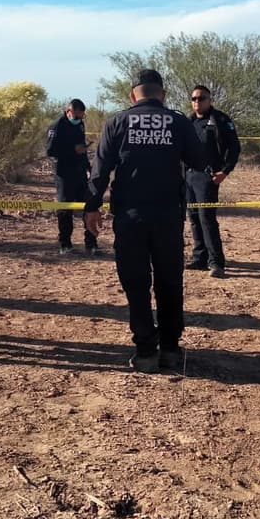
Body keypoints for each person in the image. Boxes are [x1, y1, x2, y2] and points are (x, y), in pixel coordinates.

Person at [84, 69, 209, 373]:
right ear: (162, 95)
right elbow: (199, 161)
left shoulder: (117, 122)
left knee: (136, 282)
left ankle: (145, 352)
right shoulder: (178, 122)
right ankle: (170, 349)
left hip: (130, 217)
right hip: (168, 216)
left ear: (132, 96)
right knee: (169, 280)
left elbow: (99, 170)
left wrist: (91, 207)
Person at [184, 85, 241, 279]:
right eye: (194, 99)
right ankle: (200, 257)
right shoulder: (188, 122)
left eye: (201, 98)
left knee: (207, 219)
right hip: (189, 177)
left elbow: (234, 148)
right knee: (193, 218)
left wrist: (224, 172)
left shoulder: (220, 120)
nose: (197, 102)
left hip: (208, 177)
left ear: (210, 100)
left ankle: (216, 262)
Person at [45, 98, 97, 255]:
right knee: (65, 208)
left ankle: (91, 244)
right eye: (76, 116)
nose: (79, 120)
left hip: (80, 171)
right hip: (64, 173)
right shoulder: (56, 126)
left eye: (81, 117)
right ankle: (65, 244)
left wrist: (88, 167)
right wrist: (72, 150)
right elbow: (50, 151)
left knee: (89, 205)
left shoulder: (80, 124)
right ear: (68, 112)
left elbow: (81, 147)